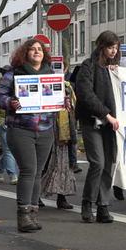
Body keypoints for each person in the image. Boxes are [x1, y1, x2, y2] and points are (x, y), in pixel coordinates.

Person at [0, 39, 56, 232]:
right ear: (25, 53)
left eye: (40, 49)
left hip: (46, 129)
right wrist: (10, 102)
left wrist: (64, 101)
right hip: (21, 129)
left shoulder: (51, 74)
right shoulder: (14, 74)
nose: (37, 52)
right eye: (32, 49)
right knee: (29, 170)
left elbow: (58, 97)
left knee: (38, 172)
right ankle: (23, 215)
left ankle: (32, 213)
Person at [75, 31, 120, 224]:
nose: (113, 51)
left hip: (111, 124)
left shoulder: (115, 69)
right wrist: (106, 114)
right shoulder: (88, 66)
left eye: (116, 47)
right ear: (101, 46)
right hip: (92, 121)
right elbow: (85, 94)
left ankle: (103, 205)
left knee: (109, 163)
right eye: (110, 47)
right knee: (98, 163)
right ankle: (88, 203)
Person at [41, 80, 77, 209]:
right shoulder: (44, 84)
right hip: (48, 129)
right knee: (45, 164)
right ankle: (35, 196)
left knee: (63, 165)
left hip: (63, 132)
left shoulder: (68, 87)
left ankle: (61, 197)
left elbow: (73, 106)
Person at [0, 67, 19, 185]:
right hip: (1, 122)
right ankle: (13, 175)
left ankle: (0, 170)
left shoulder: (17, 87)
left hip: (14, 122)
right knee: (8, 149)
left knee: (10, 150)